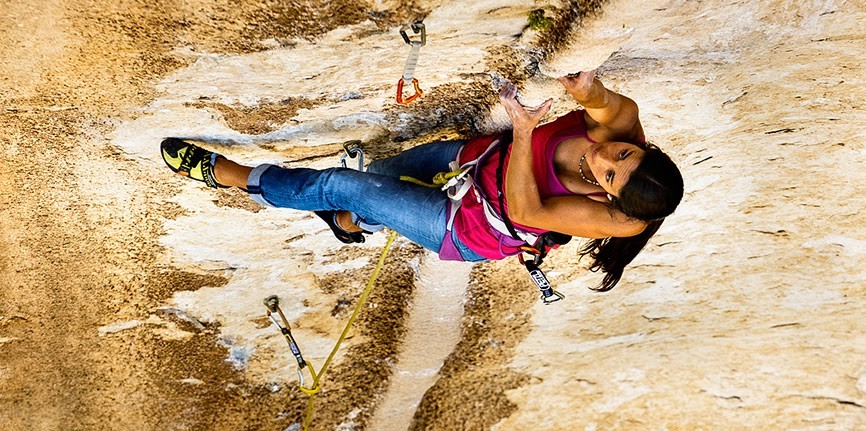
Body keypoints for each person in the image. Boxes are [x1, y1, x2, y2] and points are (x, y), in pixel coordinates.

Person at [161, 71, 683, 291]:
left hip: (465, 227)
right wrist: (589, 91)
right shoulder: (621, 130)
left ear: (610, 195)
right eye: (623, 152)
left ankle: (236, 177)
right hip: (471, 163)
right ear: (640, 144)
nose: (604, 158)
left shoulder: (619, 221)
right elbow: (610, 106)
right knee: (377, 184)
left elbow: (526, 212)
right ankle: (346, 223)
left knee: (345, 184)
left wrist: (525, 133)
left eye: (610, 175)